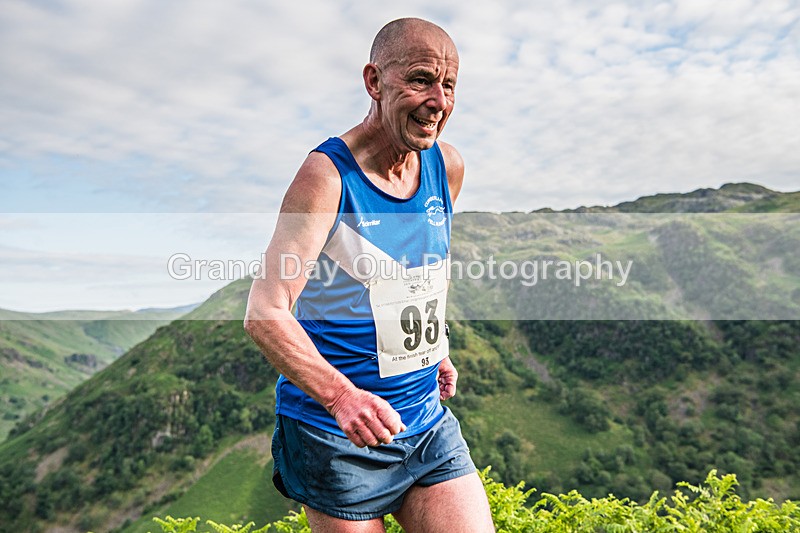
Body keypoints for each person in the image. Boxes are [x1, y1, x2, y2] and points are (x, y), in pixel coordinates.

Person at [244, 17, 494, 533]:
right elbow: (265, 312)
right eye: (422, 80)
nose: (439, 101)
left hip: (425, 422)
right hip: (334, 435)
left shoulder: (447, 168)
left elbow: (424, 269)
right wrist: (341, 397)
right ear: (374, 81)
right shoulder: (326, 176)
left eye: (449, 86)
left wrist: (436, 345)